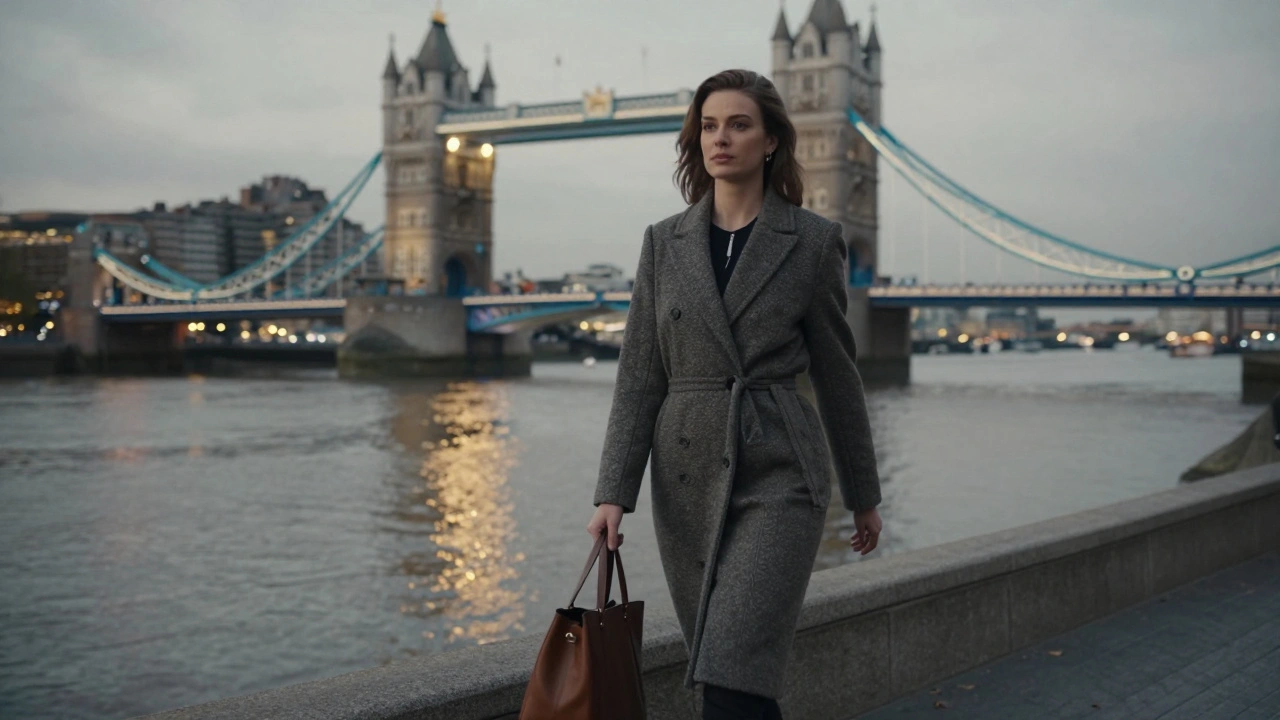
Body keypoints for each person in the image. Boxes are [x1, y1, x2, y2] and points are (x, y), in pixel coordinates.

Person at [587, 69, 884, 720]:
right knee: (724, 675)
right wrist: (613, 492)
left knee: (733, 667)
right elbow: (640, 376)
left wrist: (863, 494)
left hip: (781, 470)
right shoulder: (663, 242)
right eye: (709, 126)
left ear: (771, 140)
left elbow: (837, 375)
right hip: (685, 475)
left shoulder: (813, 241)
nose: (720, 138)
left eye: (739, 125)